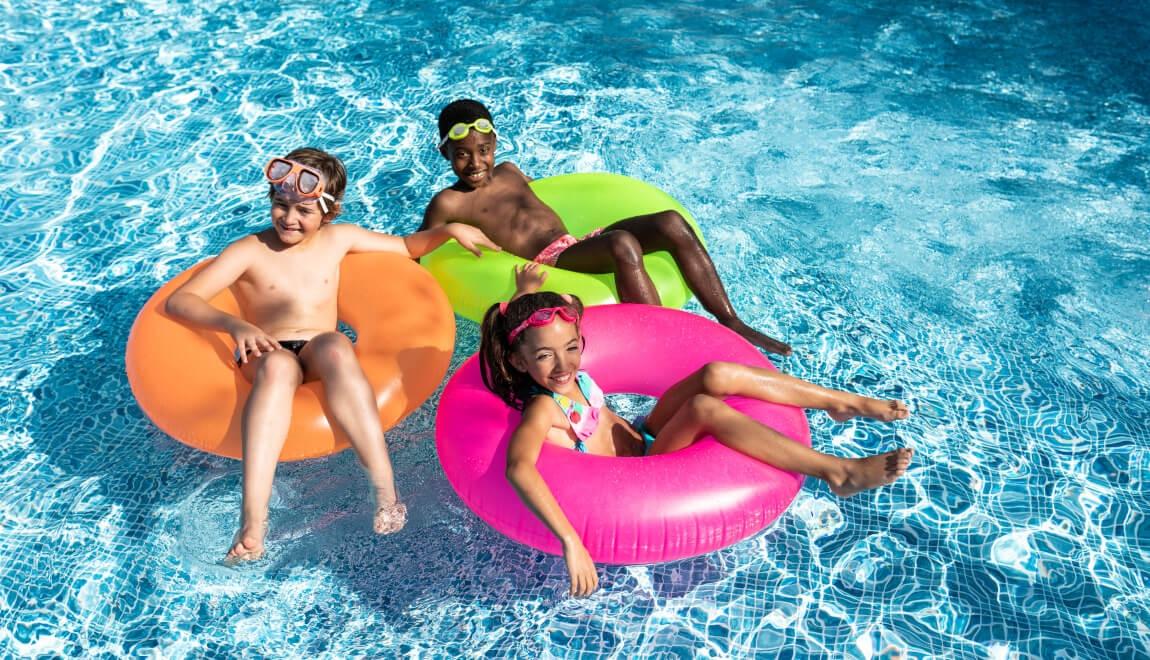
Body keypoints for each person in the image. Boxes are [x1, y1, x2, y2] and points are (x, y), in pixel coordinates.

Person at [479, 263, 913, 596]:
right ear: (519, 361)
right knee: (704, 407)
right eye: (545, 357)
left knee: (715, 373)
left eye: (571, 348)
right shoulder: (542, 407)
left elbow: (532, 331)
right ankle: (837, 472)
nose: (563, 365)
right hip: (646, 469)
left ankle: (842, 402)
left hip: (642, 433)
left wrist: (525, 295)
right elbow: (519, 468)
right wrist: (571, 542)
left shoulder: (562, 365)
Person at [166, 147, 499, 563]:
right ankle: (252, 520)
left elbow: (407, 246)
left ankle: (384, 489)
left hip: (319, 345)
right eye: (281, 206)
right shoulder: (249, 250)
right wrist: (236, 326)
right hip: (267, 349)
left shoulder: (340, 239)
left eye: (303, 211)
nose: (289, 219)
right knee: (277, 368)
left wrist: (449, 230)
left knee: (337, 346)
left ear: (330, 211)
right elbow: (182, 300)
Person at [420, 98, 793, 356]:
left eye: (483, 149)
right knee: (622, 244)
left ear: (495, 143)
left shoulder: (511, 171)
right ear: (445, 154)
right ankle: (664, 341)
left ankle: (730, 319)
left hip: (576, 241)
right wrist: (450, 232)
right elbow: (419, 249)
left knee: (670, 222)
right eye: (462, 154)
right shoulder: (449, 202)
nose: (475, 162)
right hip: (553, 261)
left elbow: (554, 197)